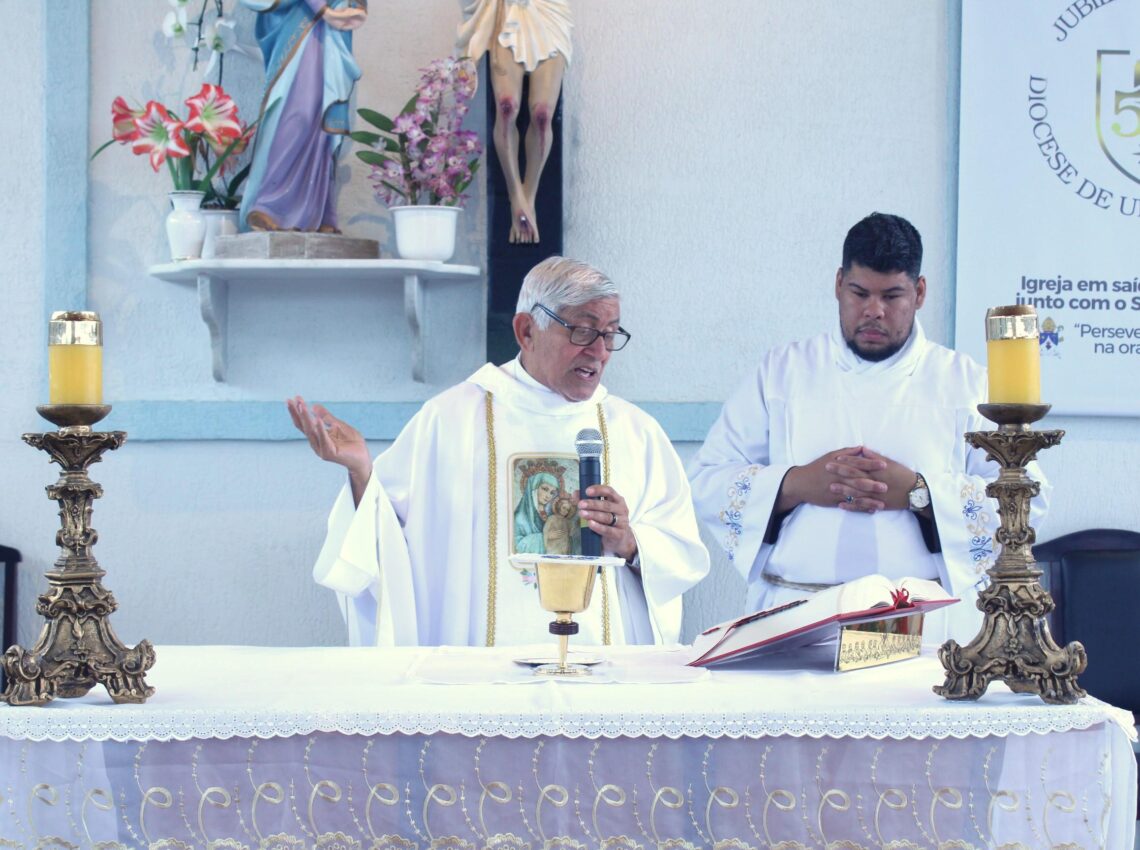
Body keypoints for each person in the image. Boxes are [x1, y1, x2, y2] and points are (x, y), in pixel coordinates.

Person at [288, 256, 709, 647]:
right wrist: (362, 471)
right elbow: (386, 544)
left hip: (601, 677)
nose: (599, 351)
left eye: (610, 333)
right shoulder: (450, 420)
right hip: (479, 678)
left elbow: (681, 554)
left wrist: (632, 541)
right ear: (526, 331)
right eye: (583, 331)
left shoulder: (636, 432)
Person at [688, 212, 1050, 642]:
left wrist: (920, 495)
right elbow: (708, 479)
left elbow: (1026, 502)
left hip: (924, 631)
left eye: (892, 296)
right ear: (838, 283)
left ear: (919, 293)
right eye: (859, 293)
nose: (873, 311)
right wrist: (798, 484)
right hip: (795, 619)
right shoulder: (783, 372)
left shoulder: (964, 382)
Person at [239, 0, 367, 233]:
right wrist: (322, 9)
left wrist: (352, 7)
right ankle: (270, 204)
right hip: (295, 23)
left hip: (329, 33)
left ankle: (320, 213)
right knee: (297, 115)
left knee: (323, 126)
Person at [456, 0, 571, 244]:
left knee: (542, 116)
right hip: (505, 12)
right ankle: (515, 196)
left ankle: (527, 199)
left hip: (547, 11)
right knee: (507, 107)